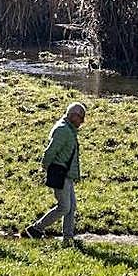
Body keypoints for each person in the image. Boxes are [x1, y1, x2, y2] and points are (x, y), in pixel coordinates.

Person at [22, 102, 85, 246]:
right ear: (73, 115)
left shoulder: (69, 129)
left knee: (71, 207)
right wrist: (46, 168)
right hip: (61, 174)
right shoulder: (63, 130)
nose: (82, 121)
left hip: (66, 175)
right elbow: (50, 152)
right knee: (64, 207)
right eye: (81, 118)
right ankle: (36, 229)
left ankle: (68, 239)